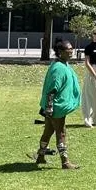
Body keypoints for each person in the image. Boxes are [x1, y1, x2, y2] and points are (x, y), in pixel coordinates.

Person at [34, 39, 81, 169]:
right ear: (60, 52)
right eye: (68, 49)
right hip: (55, 107)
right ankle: (65, 162)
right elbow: (52, 89)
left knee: (48, 131)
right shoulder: (59, 68)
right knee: (61, 132)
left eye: (72, 49)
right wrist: (49, 108)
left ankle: (40, 157)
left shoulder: (62, 64)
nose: (71, 51)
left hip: (55, 107)